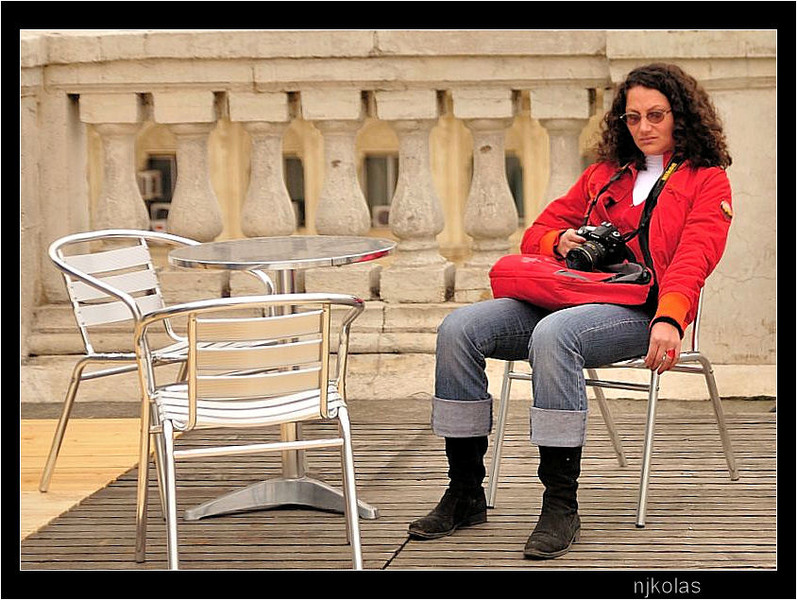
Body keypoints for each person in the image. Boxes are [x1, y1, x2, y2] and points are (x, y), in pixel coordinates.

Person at [407, 63, 734, 559]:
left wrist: (670, 318)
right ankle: (464, 491)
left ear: (681, 116)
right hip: (575, 297)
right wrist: (559, 240)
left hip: (644, 313)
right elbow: (536, 233)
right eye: (632, 118)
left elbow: (694, 258)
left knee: (555, 334)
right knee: (459, 328)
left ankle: (561, 504)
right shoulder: (605, 175)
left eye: (656, 115)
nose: (643, 127)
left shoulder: (706, 180)